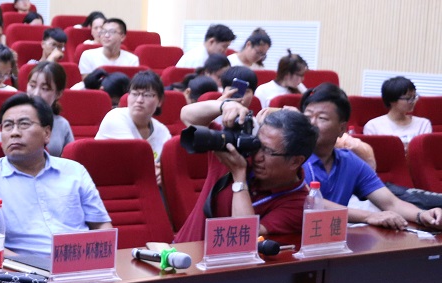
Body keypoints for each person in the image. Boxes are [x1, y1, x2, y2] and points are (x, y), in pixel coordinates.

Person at [0, 93, 111, 256]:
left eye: (24, 124)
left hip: (81, 261)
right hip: (21, 268)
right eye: (8, 126)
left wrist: (100, 257)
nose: (14, 133)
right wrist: (32, 266)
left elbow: (101, 225)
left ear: (47, 133)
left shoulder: (74, 171)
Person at [175, 97, 318, 242]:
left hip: (225, 256)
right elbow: (188, 116)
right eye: (258, 144)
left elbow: (244, 236)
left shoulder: (298, 203)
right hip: (181, 250)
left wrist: (239, 177)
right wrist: (225, 105)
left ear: (295, 161)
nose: (257, 157)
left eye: (267, 151)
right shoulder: (237, 150)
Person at [300, 84, 442, 229]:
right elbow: (307, 201)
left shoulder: (349, 162)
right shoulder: (293, 158)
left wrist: (421, 215)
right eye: (307, 117)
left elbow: (391, 203)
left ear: (342, 128)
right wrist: (368, 216)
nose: (311, 123)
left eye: (322, 118)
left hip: (329, 236)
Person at [95, 70, 169, 184]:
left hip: (140, 184)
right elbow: (135, 157)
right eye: (134, 93)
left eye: (147, 95)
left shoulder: (162, 131)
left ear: (160, 101)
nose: (139, 100)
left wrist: (163, 173)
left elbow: (165, 164)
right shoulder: (115, 117)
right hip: (107, 182)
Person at [13, 61, 74, 156]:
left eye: (45, 88)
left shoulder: (62, 124)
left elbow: (70, 161)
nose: (36, 93)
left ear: (58, 94)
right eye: (32, 86)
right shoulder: (11, 118)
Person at [362, 76, 431, 149]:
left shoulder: (423, 124)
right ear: (392, 100)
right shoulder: (373, 126)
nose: (413, 101)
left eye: (414, 97)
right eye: (408, 98)